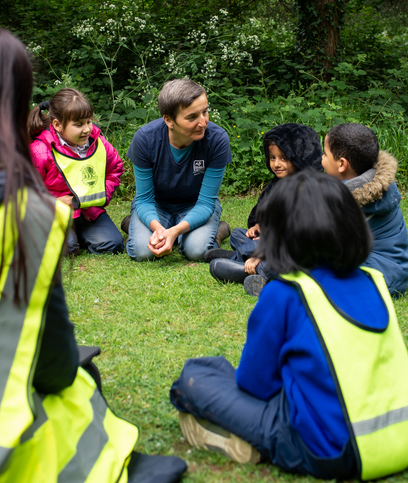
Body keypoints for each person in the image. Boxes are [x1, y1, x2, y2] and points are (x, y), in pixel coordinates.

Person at [0, 22, 187, 483]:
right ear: (13, 105)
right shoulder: (19, 211)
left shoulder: (98, 146)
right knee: (81, 378)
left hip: (92, 215)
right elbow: (55, 366)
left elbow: (117, 174)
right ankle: (104, 462)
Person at [170, 171, 408, 480]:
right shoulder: (374, 281)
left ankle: (246, 441)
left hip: (328, 451)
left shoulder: (285, 292)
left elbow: (256, 385)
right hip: (399, 440)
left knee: (196, 375)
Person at [206, 123, 322, 291]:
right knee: (238, 234)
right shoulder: (277, 184)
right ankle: (244, 255)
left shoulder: (307, 191)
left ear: (300, 157)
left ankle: (247, 266)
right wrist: (259, 226)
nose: (276, 164)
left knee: (279, 264)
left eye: (283, 158)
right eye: (272, 158)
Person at [125, 78, 232, 262]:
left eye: (205, 112)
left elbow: (206, 203)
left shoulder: (218, 139)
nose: (203, 122)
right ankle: (137, 227)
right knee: (142, 251)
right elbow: (144, 199)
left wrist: (174, 231)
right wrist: (159, 229)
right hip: (156, 206)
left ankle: (217, 230)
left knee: (197, 251)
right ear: (168, 120)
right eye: (192, 117)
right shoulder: (145, 139)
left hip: (196, 205)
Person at [28, 88, 124, 255]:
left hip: (88, 211)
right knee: (68, 249)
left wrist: (95, 195)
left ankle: (77, 235)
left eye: (88, 121)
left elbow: (114, 171)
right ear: (57, 125)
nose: (87, 129)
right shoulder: (39, 151)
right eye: (78, 124)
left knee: (112, 244)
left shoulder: (98, 143)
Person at [322, 122, 408, 296]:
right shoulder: (377, 183)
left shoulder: (349, 201)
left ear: (341, 164)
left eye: (325, 154)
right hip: (396, 270)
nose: (321, 158)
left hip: (376, 276)